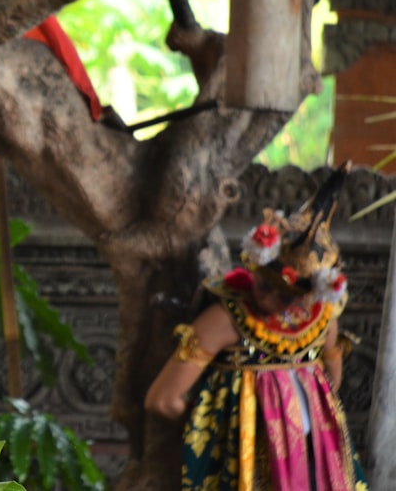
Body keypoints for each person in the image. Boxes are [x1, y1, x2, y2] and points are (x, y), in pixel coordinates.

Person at [145, 161, 368, 490]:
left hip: (317, 461)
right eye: (265, 284)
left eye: (287, 297)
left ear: (311, 296)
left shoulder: (322, 318)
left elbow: (330, 383)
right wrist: (210, 429)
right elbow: (162, 399)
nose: (269, 300)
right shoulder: (226, 318)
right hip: (247, 468)